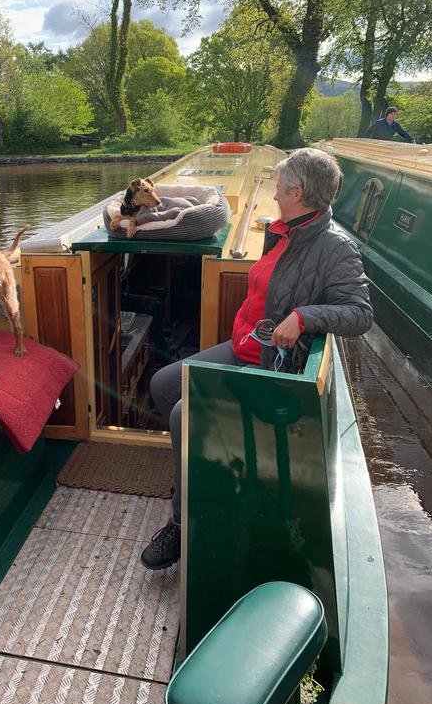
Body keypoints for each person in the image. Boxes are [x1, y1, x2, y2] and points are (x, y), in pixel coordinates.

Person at [141, 148, 373, 571]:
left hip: (271, 364)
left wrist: (305, 316)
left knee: (181, 416)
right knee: (163, 384)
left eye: (279, 189)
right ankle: (198, 475)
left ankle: (182, 520)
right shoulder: (286, 230)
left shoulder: (334, 247)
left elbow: (360, 314)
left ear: (299, 192)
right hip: (245, 347)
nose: (274, 195)